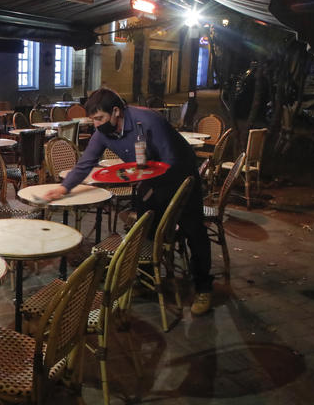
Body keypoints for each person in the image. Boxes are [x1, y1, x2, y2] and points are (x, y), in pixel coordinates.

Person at [44, 88, 213, 315]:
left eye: (100, 119)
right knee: (145, 227)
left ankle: (204, 287)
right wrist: (64, 187)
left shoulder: (149, 121)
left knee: (194, 230)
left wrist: (158, 191)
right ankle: (149, 279)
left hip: (181, 174)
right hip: (149, 177)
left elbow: (171, 159)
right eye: (93, 120)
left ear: (116, 112)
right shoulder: (103, 132)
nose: (96, 125)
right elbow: (86, 163)